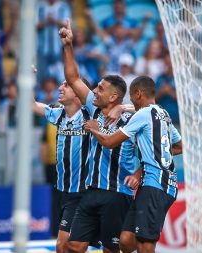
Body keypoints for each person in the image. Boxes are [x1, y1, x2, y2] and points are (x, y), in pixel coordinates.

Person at [59, 20, 140, 253]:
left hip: (117, 194)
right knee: (73, 246)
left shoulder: (132, 120)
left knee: (110, 250)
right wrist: (68, 46)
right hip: (90, 190)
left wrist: (124, 108)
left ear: (114, 97)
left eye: (100, 89)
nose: (94, 90)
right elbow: (74, 78)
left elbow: (153, 111)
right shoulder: (93, 110)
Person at [84, 76, 183, 253]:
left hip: (156, 184)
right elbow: (180, 146)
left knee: (145, 245)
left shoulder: (143, 114)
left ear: (138, 94)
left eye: (131, 96)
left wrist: (93, 129)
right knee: (126, 240)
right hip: (154, 184)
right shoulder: (163, 114)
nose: (131, 101)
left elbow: (110, 142)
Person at [33, 78, 93, 253]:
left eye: (67, 85)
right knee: (64, 247)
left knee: (69, 246)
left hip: (88, 192)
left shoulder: (91, 114)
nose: (60, 87)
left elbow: (124, 108)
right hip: (67, 192)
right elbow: (32, 104)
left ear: (78, 92)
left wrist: (121, 107)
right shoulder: (58, 114)